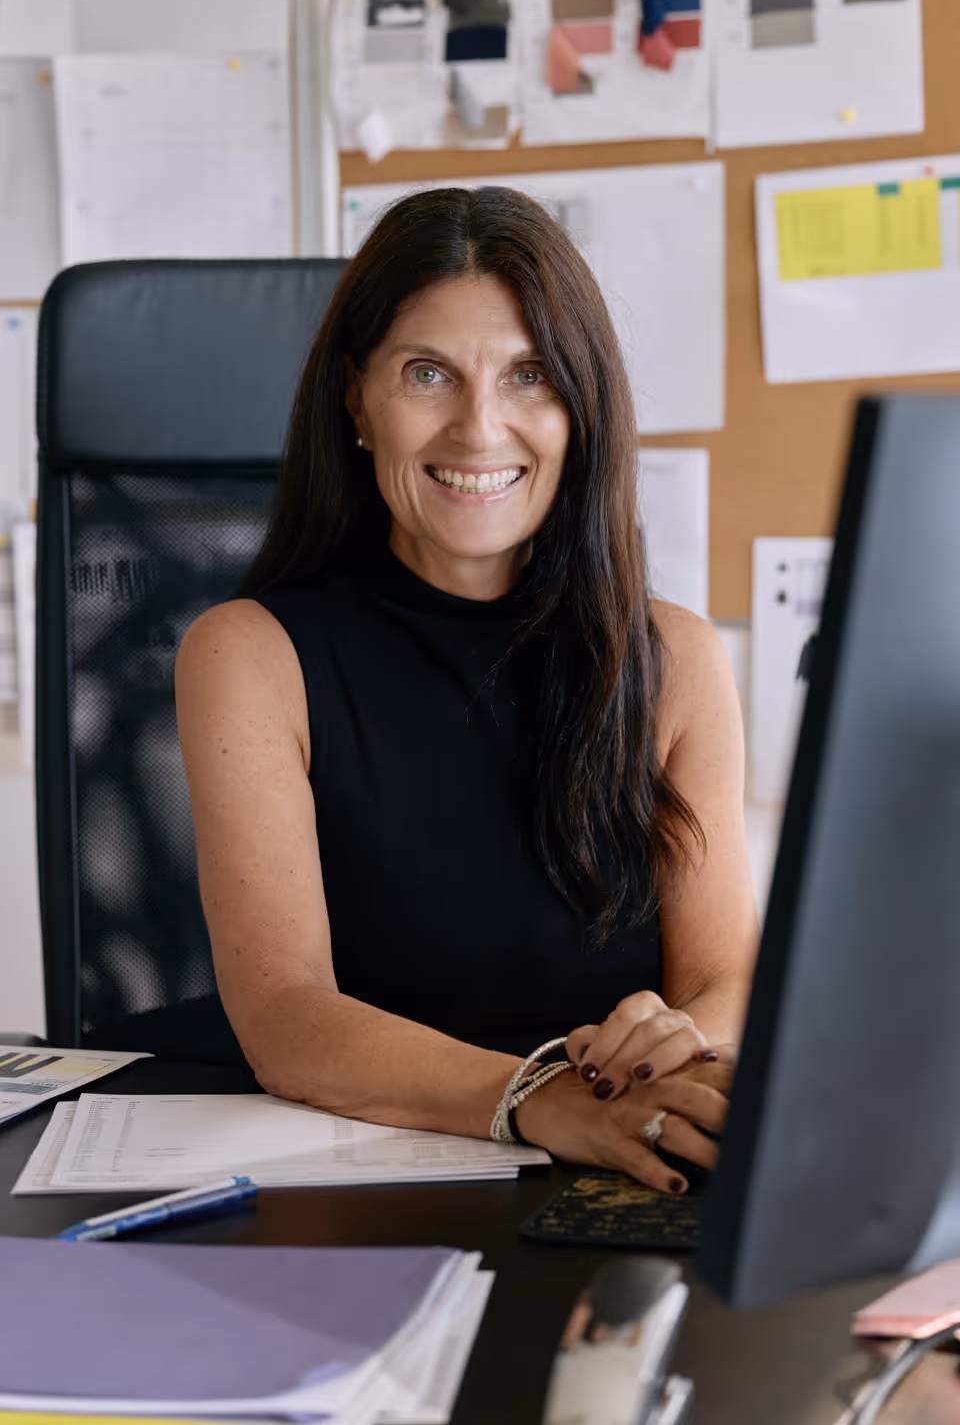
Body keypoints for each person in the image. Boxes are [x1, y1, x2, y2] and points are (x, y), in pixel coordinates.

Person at [175, 186, 759, 1195]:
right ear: (357, 401)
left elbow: (730, 980)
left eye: (529, 375)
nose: (480, 429)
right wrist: (536, 1096)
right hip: (357, 1192)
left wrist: (668, 1048)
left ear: (580, 410)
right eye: (428, 374)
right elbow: (284, 1015)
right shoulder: (252, 656)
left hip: (626, 1175)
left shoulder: (676, 661)